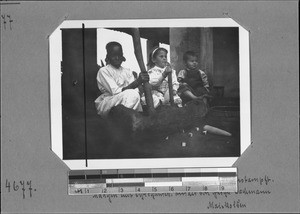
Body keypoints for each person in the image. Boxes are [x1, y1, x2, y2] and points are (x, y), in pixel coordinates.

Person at [94, 41, 149, 117]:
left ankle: (128, 118)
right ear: (108, 56)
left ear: (122, 56)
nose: (117, 58)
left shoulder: (127, 71)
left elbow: (135, 91)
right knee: (132, 95)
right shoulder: (104, 71)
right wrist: (137, 82)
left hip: (127, 100)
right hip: (109, 101)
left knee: (135, 95)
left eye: (119, 55)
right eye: (113, 55)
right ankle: (119, 119)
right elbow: (116, 92)